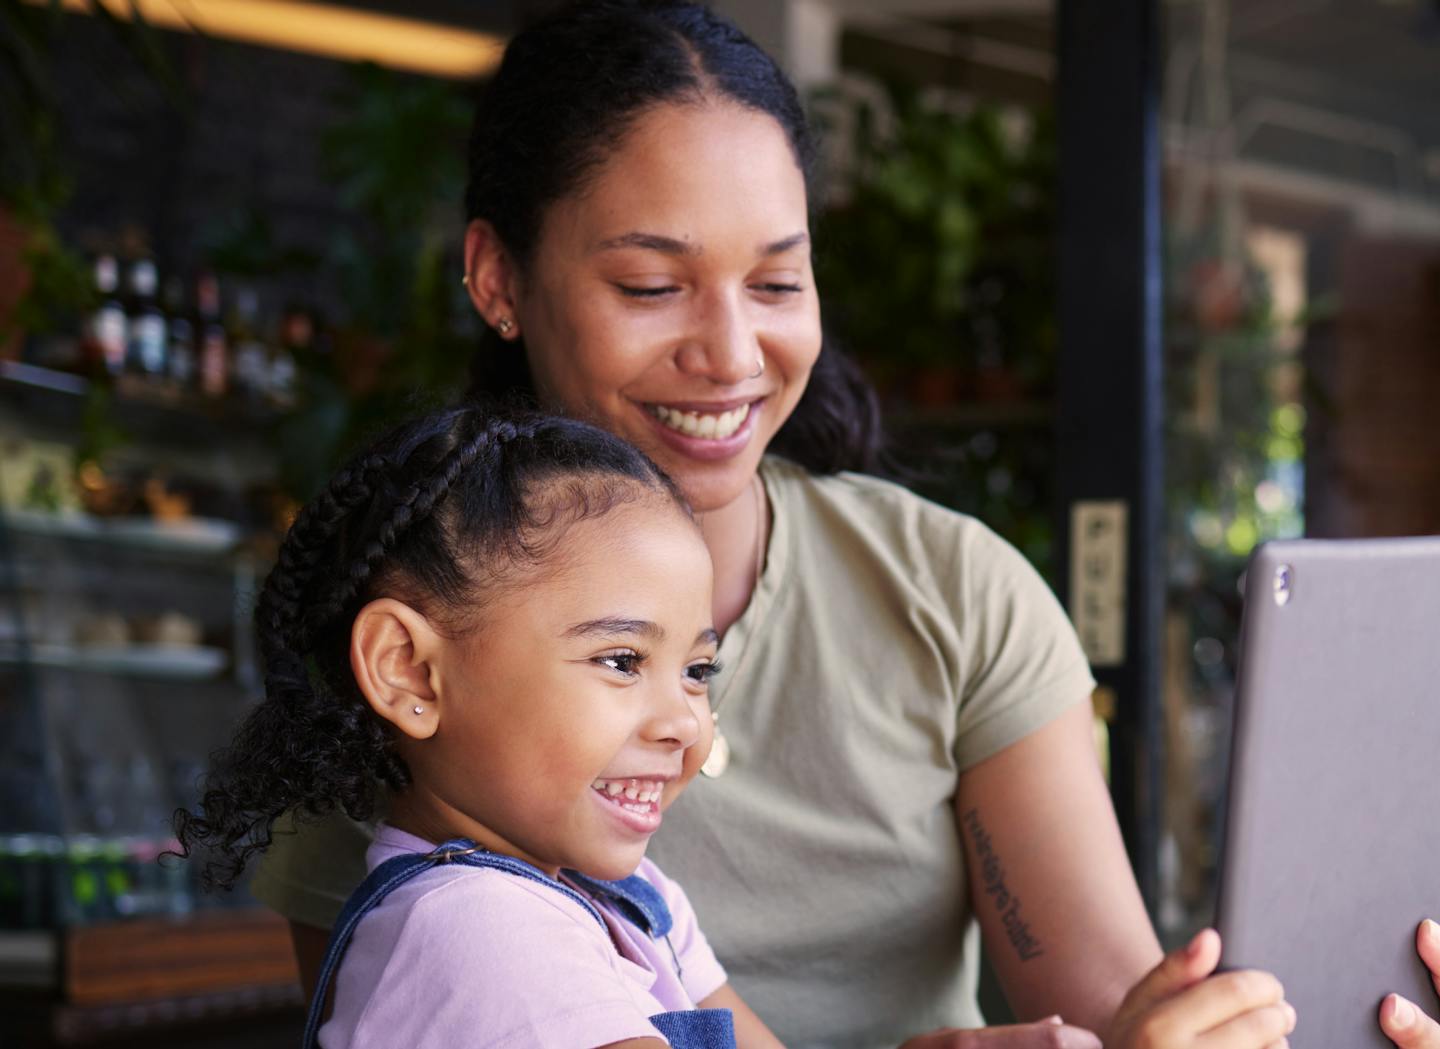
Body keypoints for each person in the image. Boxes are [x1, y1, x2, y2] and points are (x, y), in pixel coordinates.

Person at [248, 5, 1440, 1049]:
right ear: (497, 278)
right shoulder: (412, 668)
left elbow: (1110, 1004)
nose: (732, 352)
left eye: (779, 281)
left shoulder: (946, 593)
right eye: (649, 284)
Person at [178, 404, 1294, 1049]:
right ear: (408, 670)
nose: (686, 721)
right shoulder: (477, 935)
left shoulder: (626, 898)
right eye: (623, 660)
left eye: (697, 665)